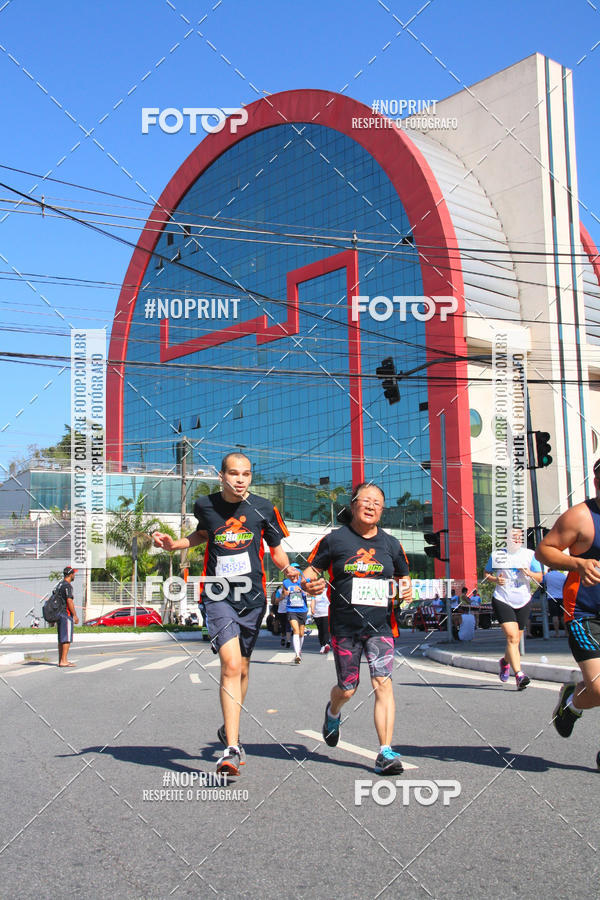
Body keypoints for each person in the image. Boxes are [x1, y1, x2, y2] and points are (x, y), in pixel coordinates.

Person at [153, 451, 294, 776]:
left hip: (253, 598)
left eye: (246, 474)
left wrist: (293, 573)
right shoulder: (205, 505)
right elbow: (204, 534)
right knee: (230, 664)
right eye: (233, 473)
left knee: (243, 668)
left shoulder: (264, 508)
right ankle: (232, 747)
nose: (240, 479)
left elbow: (276, 551)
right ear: (221, 476)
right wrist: (174, 544)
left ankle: (230, 725)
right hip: (216, 594)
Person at [302, 482, 412, 776]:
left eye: (378, 502)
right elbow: (312, 570)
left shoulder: (391, 543)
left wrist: (405, 590)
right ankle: (332, 712)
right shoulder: (335, 540)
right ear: (353, 505)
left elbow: (403, 576)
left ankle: (385, 751)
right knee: (348, 688)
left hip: (381, 627)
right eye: (366, 500)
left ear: (382, 509)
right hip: (345, 627)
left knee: (383, 684)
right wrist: (308, 582)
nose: (372, 505)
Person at [535, 459, 600, 737]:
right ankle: (572, 703)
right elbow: (543, 551)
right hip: (585, 613)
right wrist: (578, 564)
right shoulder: (581, 517)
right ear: (597, 482)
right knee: (598, 688)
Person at [484, 528, 543, 689]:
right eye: (513, 536)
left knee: (515, 640)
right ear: (506, 538)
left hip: (523, 600)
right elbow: (486, 573)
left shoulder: (530, 555)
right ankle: (519, 675)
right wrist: (496, 579)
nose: (516, 539)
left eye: (519, 537)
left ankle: (505, 662)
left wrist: (529, 573)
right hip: (503, 598)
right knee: (512, 637)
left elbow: (540, 577)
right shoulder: (497, 555)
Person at [283, 563, 309, 663]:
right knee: (295, 630)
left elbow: (309, 592)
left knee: (301, 633)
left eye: (295, 571)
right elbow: (284, 593)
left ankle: (299, 650)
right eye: (291, 572)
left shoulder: (303, 581)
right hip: (291, 609)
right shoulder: (286, 582)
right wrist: (288, 592)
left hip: (302, 609)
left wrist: (302, 590)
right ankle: (297, 654)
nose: (292, 574)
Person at [56, 566, 78, 667]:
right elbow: (69, 600)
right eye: (74, 573)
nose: (75, 575)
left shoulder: (59, 585)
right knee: (66, 638)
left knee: (61, 638)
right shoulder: (67, 586)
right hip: (66, 614)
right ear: (70, 574)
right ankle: (64, 661)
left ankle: (61, 660)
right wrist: (75, 615)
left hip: (59, 614)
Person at [543, 568, 567, 638]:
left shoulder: (547, 575)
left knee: (554, 616)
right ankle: (566, 632)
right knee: (563, 616)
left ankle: (557, 633)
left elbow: (542, 583)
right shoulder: (562, 576)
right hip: (562, 597)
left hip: (551, 598)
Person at [311, 580, 331, 654]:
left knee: (326, 629)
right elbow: (313, 601)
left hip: (326, 613)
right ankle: (322, 645)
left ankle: (326, 644)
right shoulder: (315, 591)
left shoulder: (328, 590)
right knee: (320, 630)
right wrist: (312, 609)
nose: (323, 584)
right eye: (321, 582)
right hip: (317, 613)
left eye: (324, 582)